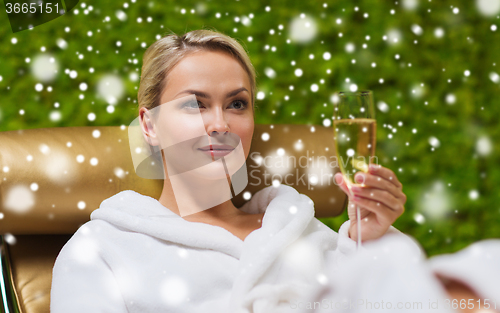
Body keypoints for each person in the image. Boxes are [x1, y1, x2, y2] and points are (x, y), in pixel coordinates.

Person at [51, 29, 486, 313]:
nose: (220, 123)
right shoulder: (104, 248)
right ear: (149, 125)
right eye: (194, 104)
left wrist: (369, 243)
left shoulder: (305, 232)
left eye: (236, 103)